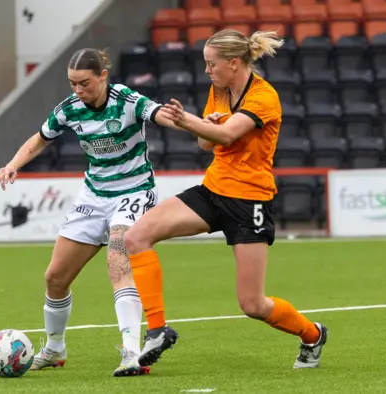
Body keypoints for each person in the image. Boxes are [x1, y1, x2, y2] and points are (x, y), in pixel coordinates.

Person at [123, 29, 329, 369]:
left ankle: (312, 335)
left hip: (249, 201)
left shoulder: (264, 96)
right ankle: (157, 330)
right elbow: (207, 143)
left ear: (233, 63)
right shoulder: (218, 90)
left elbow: (228, 134)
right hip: (214, 190)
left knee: (252, 305)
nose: (207, 71)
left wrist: (189, 120)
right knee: (136, 237)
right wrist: (206, 123)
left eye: (211, 64)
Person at [0, 48, 183, 377]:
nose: (78, 90)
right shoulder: (70, 109)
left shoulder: (126, 100)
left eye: (84, 83)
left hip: (133, 192)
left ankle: (132, 352)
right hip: (93, 196)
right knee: (55, 277)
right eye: (72, 84)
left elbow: (157, 115)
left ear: (103, 76)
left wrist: (182, 120)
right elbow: (40, 139)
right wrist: (12, 165)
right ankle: (54, 348)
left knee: (118, 263)